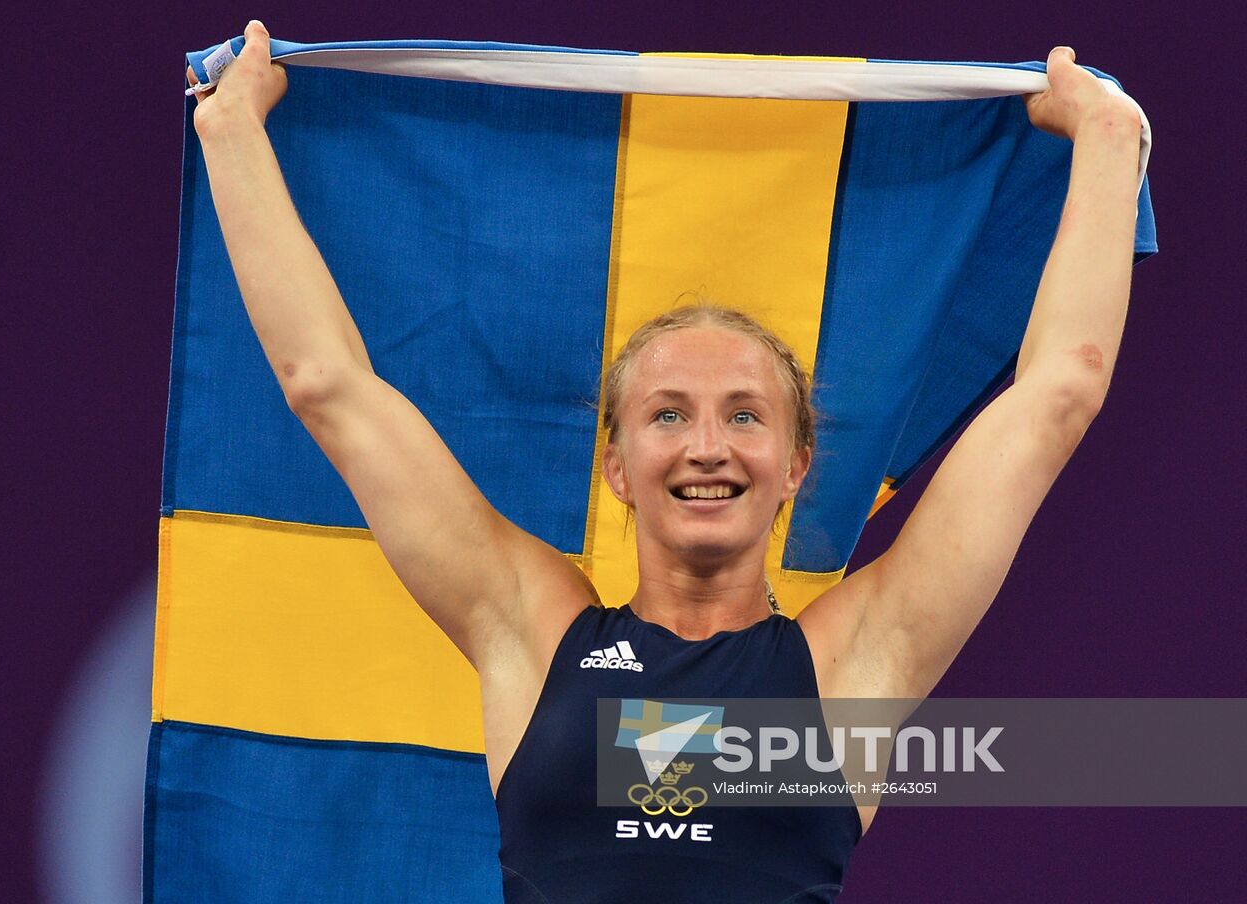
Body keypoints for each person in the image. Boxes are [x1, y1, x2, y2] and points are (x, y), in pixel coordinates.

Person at [186, 20, 1144, 902]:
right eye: (669, 414)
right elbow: (330, 389)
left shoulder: (854, 666)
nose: (707, 448)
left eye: (745, 417)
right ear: (616, 464)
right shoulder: (528, 631)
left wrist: (1107, 141)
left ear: (797, 464)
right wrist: (231, 137)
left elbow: (1059, 391)